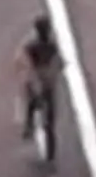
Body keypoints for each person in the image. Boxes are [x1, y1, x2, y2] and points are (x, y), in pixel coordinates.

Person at [18, 11, 63, 149]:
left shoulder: (31, 45)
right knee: (48, 102)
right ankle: (43, 124)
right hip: (47, 78)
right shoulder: (52, 45)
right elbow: (58, 61)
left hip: (37, 76)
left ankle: (29, 125)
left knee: (31, 100)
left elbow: (23, 59)